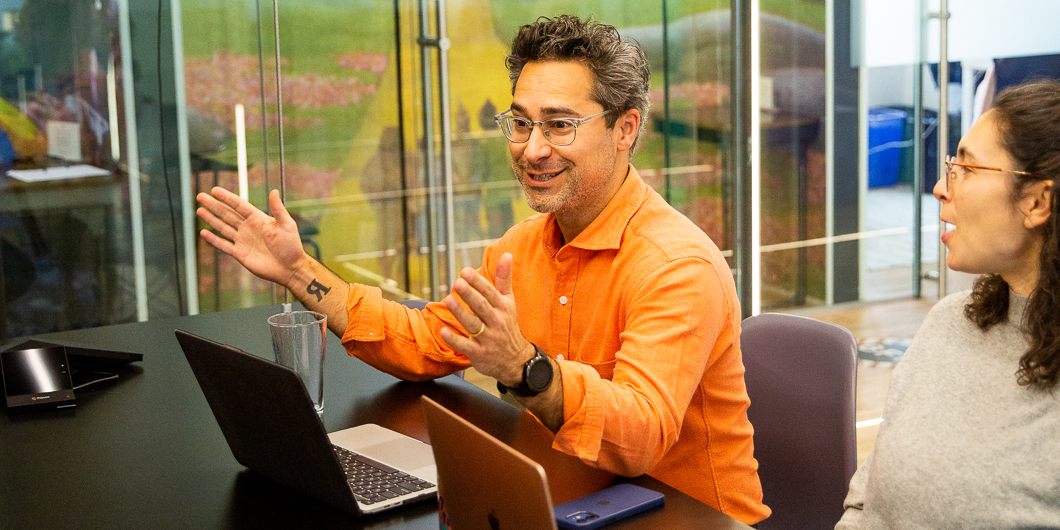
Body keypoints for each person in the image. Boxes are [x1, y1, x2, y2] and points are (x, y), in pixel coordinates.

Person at [196, 15, 768, 525]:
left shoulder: (676, 266)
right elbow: (426, 340)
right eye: (520, 124)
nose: (531, 149)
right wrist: (298, 271)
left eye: (559, 125)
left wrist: (526, 369)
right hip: (569, 499)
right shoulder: (521, 248)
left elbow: (639, 438)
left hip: (688, 516)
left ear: (625, 130)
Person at [837, 80, 1060, 528]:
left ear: (1037, 202)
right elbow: (867, 499)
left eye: (968, 169)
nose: (941, 187)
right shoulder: (949, 322)